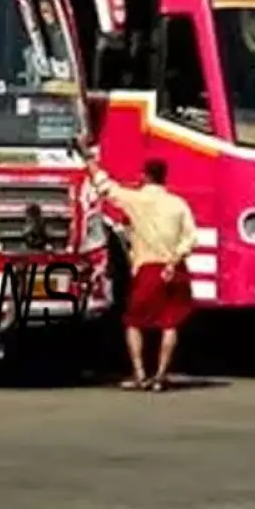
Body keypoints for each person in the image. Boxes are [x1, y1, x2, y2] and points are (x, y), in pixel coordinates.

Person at [86, 158, 199, 391]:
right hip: (175, 268)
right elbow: (191, 238)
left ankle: (140, 374)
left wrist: (89, 160)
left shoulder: (137, 200)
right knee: (170, 323)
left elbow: (106, 187)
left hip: (148, 268)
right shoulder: (179, 204)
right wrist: (174, 259)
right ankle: (160, 375)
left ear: (146, 176)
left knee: (133, 322)